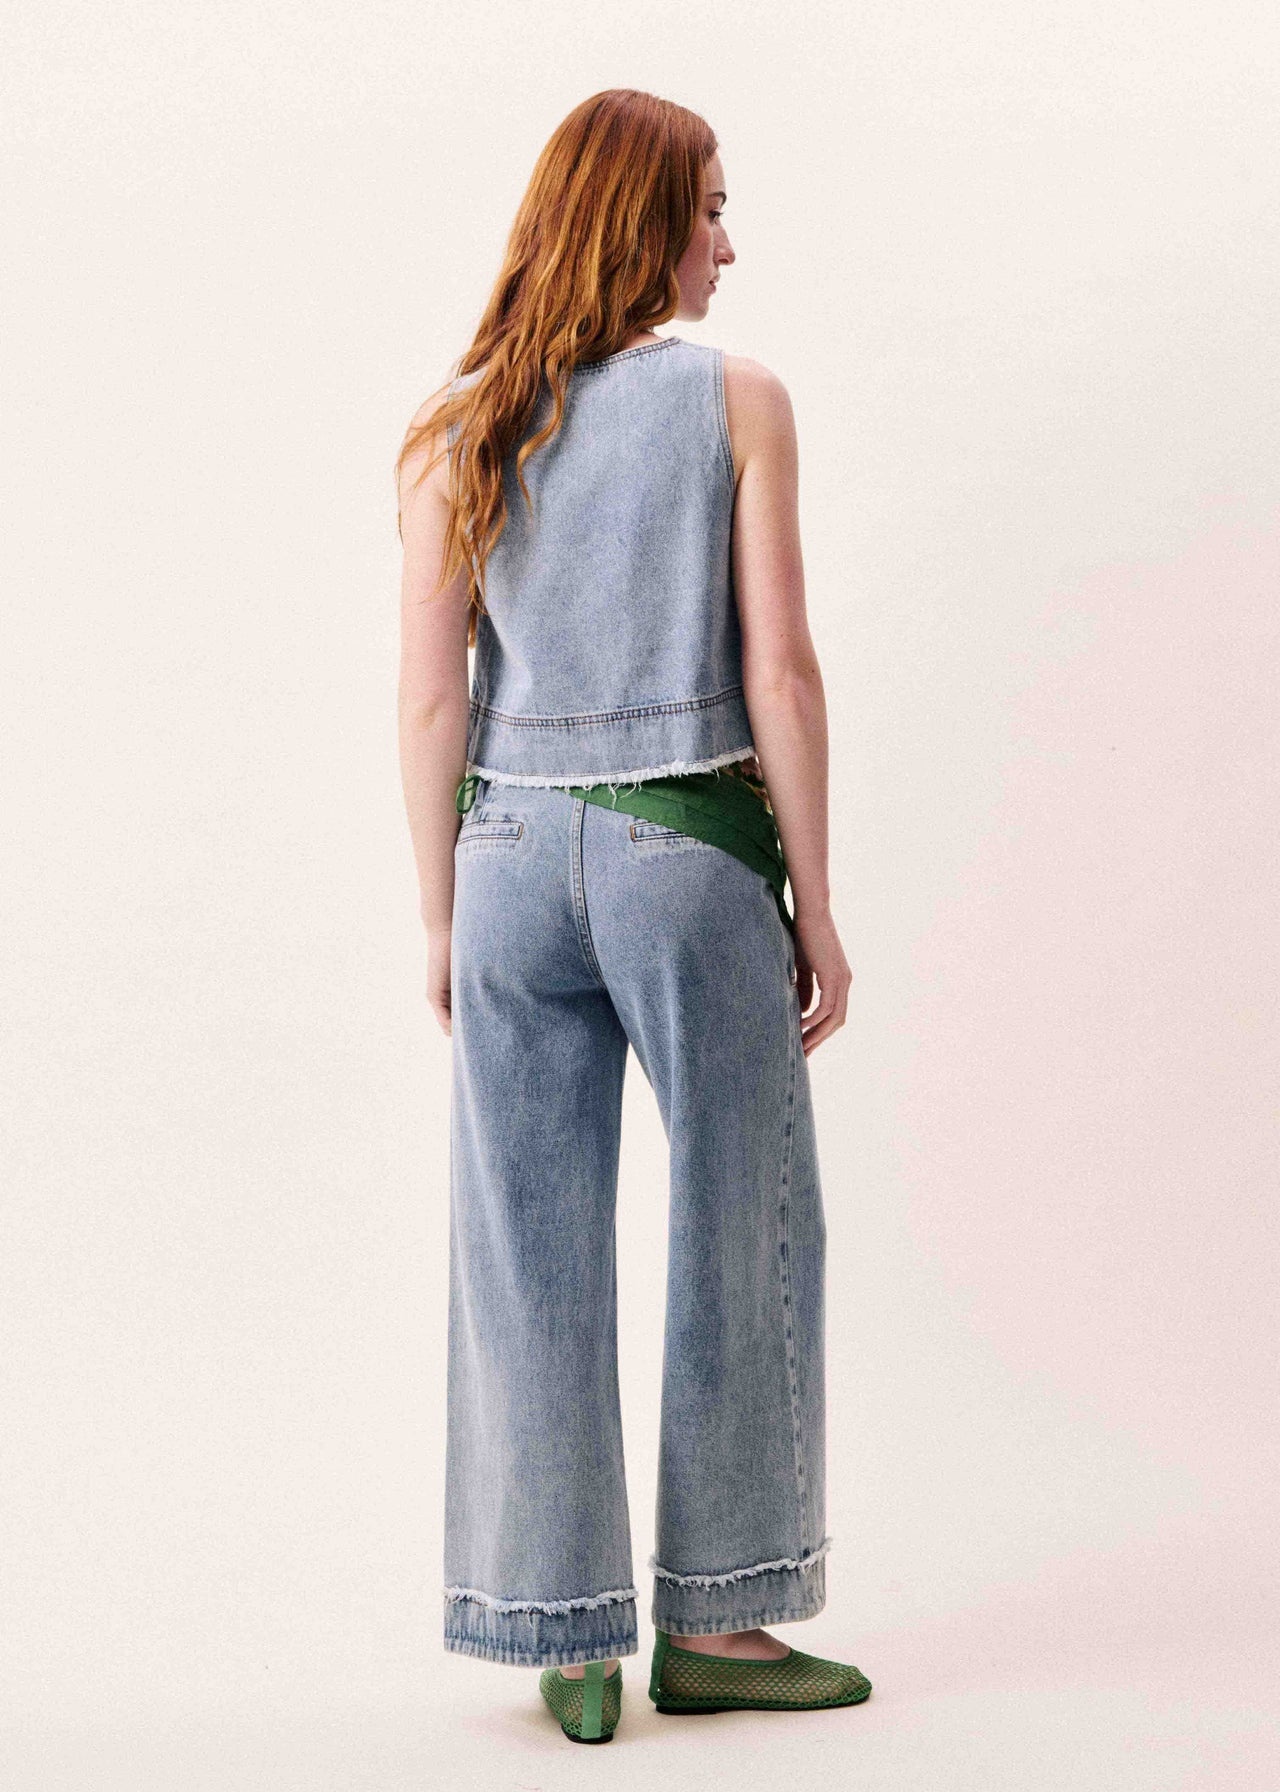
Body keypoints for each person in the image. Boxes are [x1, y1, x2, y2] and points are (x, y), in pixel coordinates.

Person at [395, 88, 871, 1743]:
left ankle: (565, 1635)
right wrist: (818, 902)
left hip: (508, 856)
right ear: (645, 224)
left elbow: (432, 700)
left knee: (524, 1239)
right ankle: (722, 1625)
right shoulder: (738, 402)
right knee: (744, 1219)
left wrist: (442, 912)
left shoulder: (460, 426)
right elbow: (780, 672)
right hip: (688, 849)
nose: (728, 245)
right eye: (711, 210)